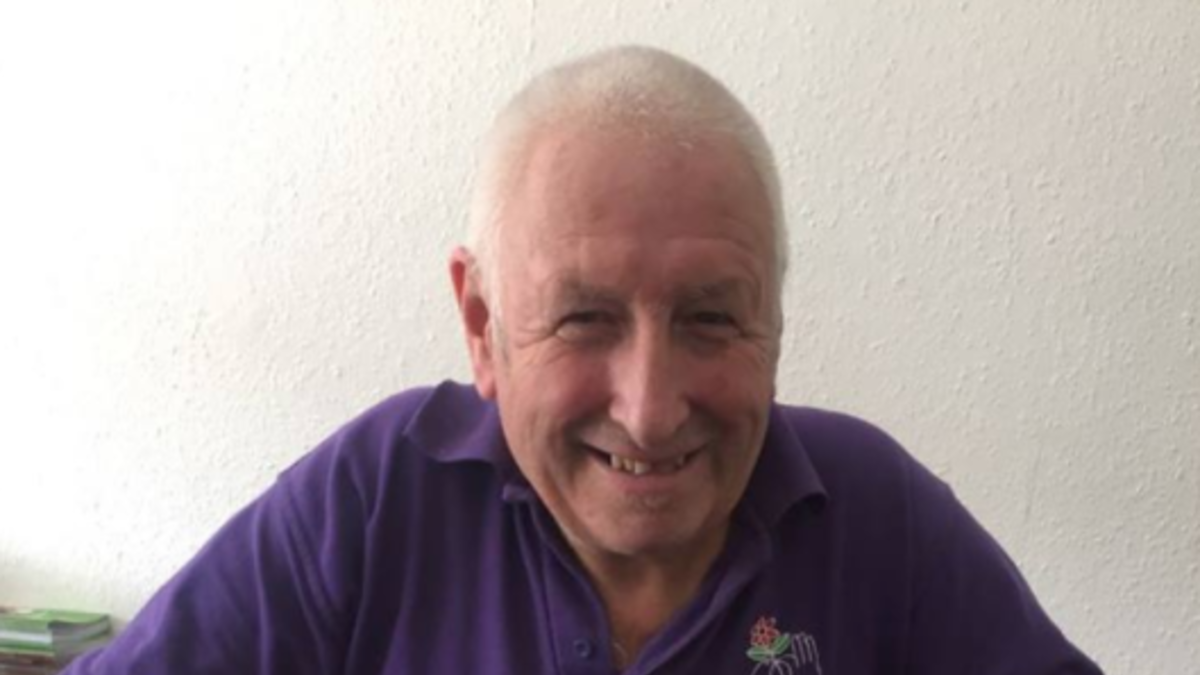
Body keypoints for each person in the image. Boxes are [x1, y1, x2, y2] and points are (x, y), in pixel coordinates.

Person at [65, 46, 1103, 674]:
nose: (650, 409)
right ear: (482, 324)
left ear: (775, 321)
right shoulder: (372, 502)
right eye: (584, 319)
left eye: (710, 318)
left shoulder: (878, 514)